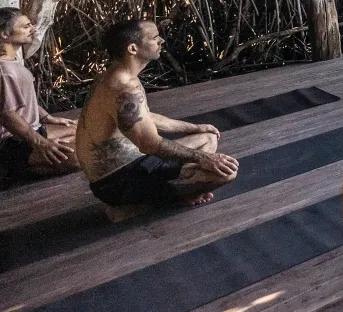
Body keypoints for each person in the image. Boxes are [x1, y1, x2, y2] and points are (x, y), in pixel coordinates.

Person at [77, 20, 238, 210]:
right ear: (133, 49)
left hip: (137, 161)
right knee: (225, 173)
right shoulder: (122, 88)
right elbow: (150, 144)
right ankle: (143, 204)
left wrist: (195, 127)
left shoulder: (118, 76)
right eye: (154, 38)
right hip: (118, 182)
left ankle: (183, 188)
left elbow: (142, 117)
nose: (161, 41)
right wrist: (203, 159)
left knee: (208, 138)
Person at [0, 8, 77, 182]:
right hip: (11, 141)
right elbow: (6, 115)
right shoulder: (4, 71)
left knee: (83, 131)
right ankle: (9, 169)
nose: (32, 29)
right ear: (5, 35)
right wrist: (40, 143)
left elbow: (23, 100)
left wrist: (48, 117)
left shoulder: (12, 62)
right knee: (78, 159)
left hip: (32, 129)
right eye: (26, 26)